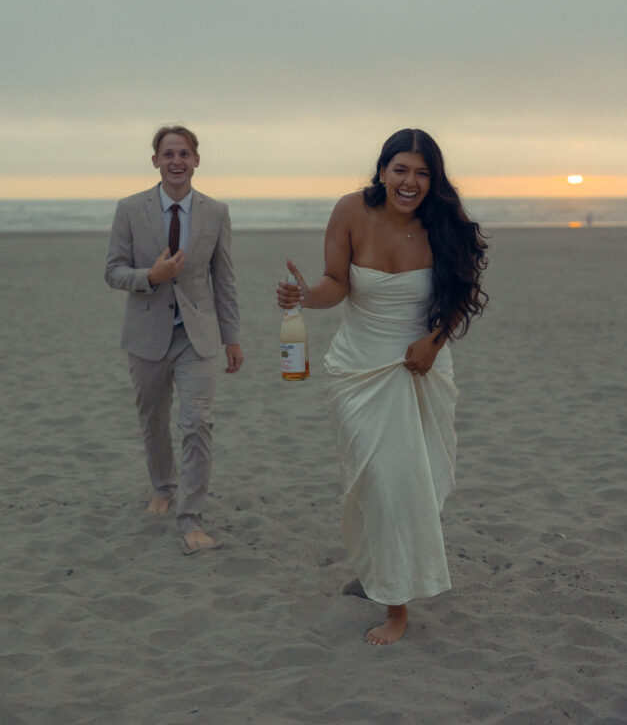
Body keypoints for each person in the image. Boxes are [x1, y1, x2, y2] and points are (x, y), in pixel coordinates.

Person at [276, 128, 487, 645]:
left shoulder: (444, 224)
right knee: (377, 481)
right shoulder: (350, 211)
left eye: (421, 172)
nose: (410, 181)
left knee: (408, 483)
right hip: (358, 371)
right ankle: (386, 585)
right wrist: (305, 294)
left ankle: (391, 597)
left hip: (420, 366)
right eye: (401, 169)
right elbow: (336, 285)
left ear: (432, 179)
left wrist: (434, 343)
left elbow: (462, 291)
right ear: (383, 170)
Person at [106, 125, 244, 554]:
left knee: (197, 421)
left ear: (196, 160)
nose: (177, 161)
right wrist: (150, 276)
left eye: (184, 154)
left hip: (196, 336)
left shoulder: (216, 212)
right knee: (153, 419)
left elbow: (224, 279)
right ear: (155, 161)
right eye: (169, 154)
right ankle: (163, 487)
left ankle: (191, 518)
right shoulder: (129, 209)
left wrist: (232, 336)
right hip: (146, 335)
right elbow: (112, 271)